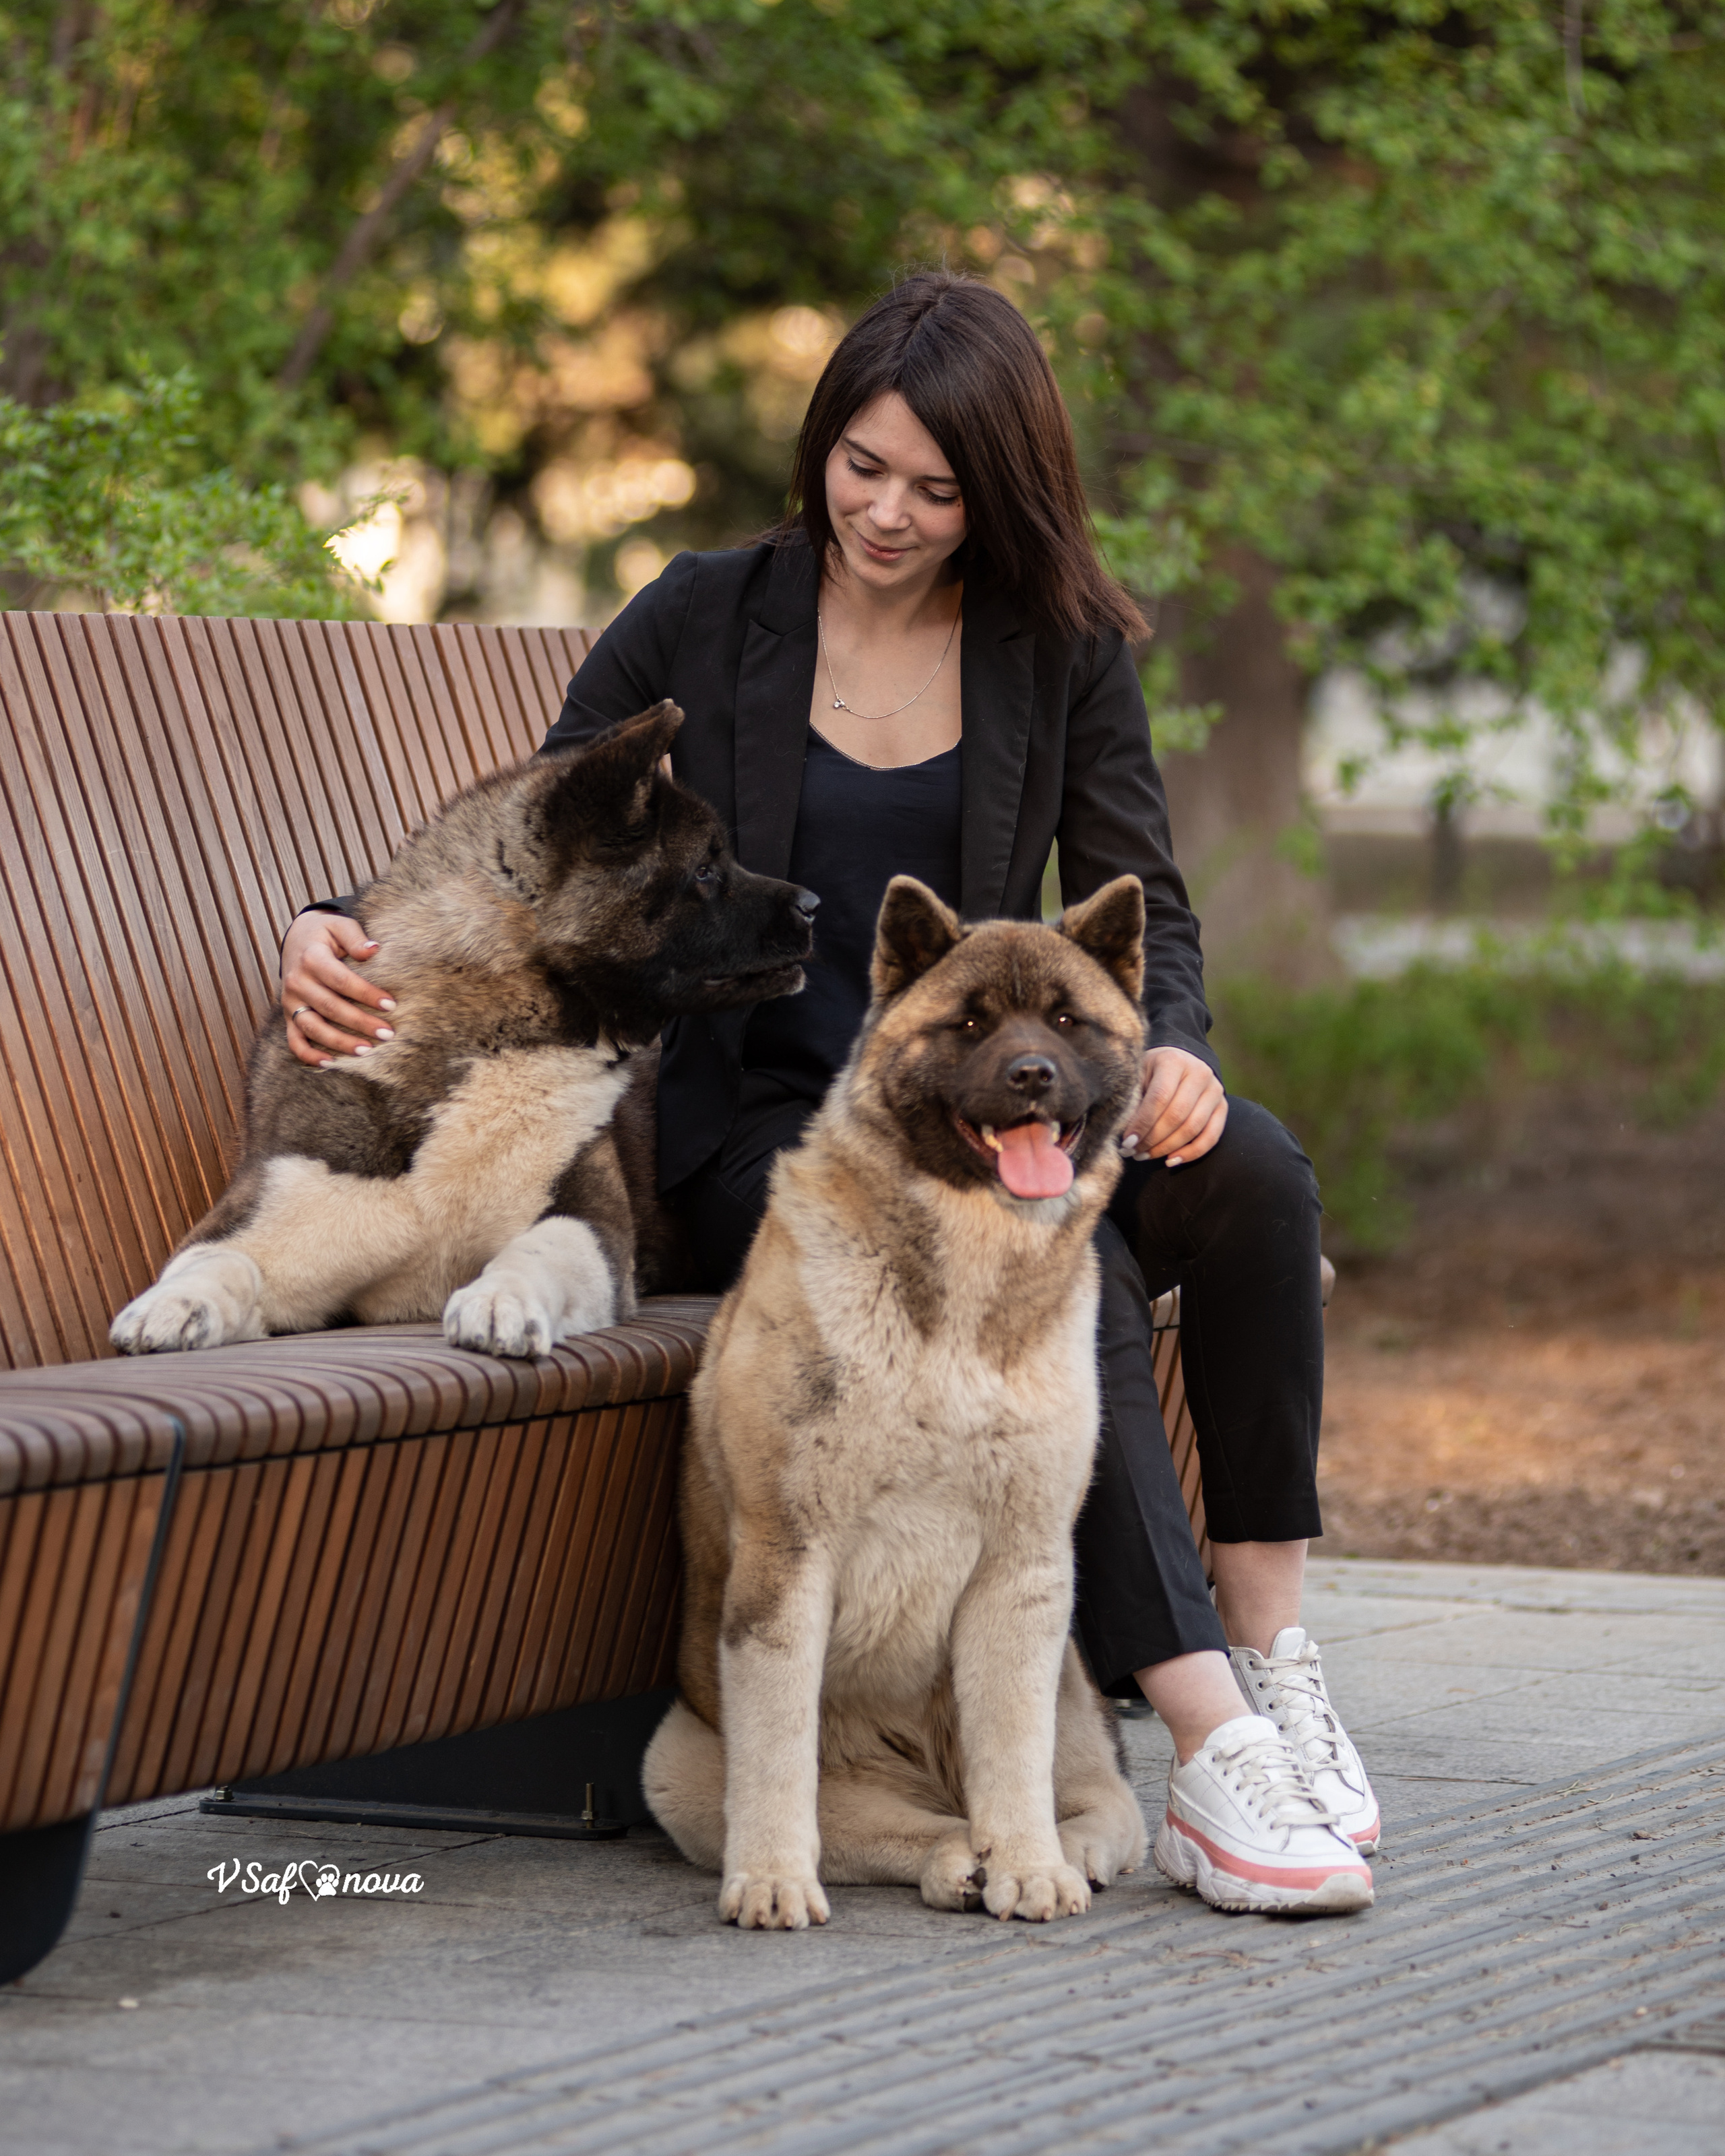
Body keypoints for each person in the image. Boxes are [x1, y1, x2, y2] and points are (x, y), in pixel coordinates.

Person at [278, 270, 1380, 1914]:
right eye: (863, 466)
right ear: (824, 444)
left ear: (994, 494)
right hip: (773, 1138)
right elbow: (532, 828)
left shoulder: (1057, 647)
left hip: (1014, 1090)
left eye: (936, 490)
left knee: (1257, 1180)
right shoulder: (708, 613)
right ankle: (1206, 1737)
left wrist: (1179, 1056)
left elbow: (1146, 886)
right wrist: (327, 920)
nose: (887, 510)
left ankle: (1273, 1649)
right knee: (1045, 1256)